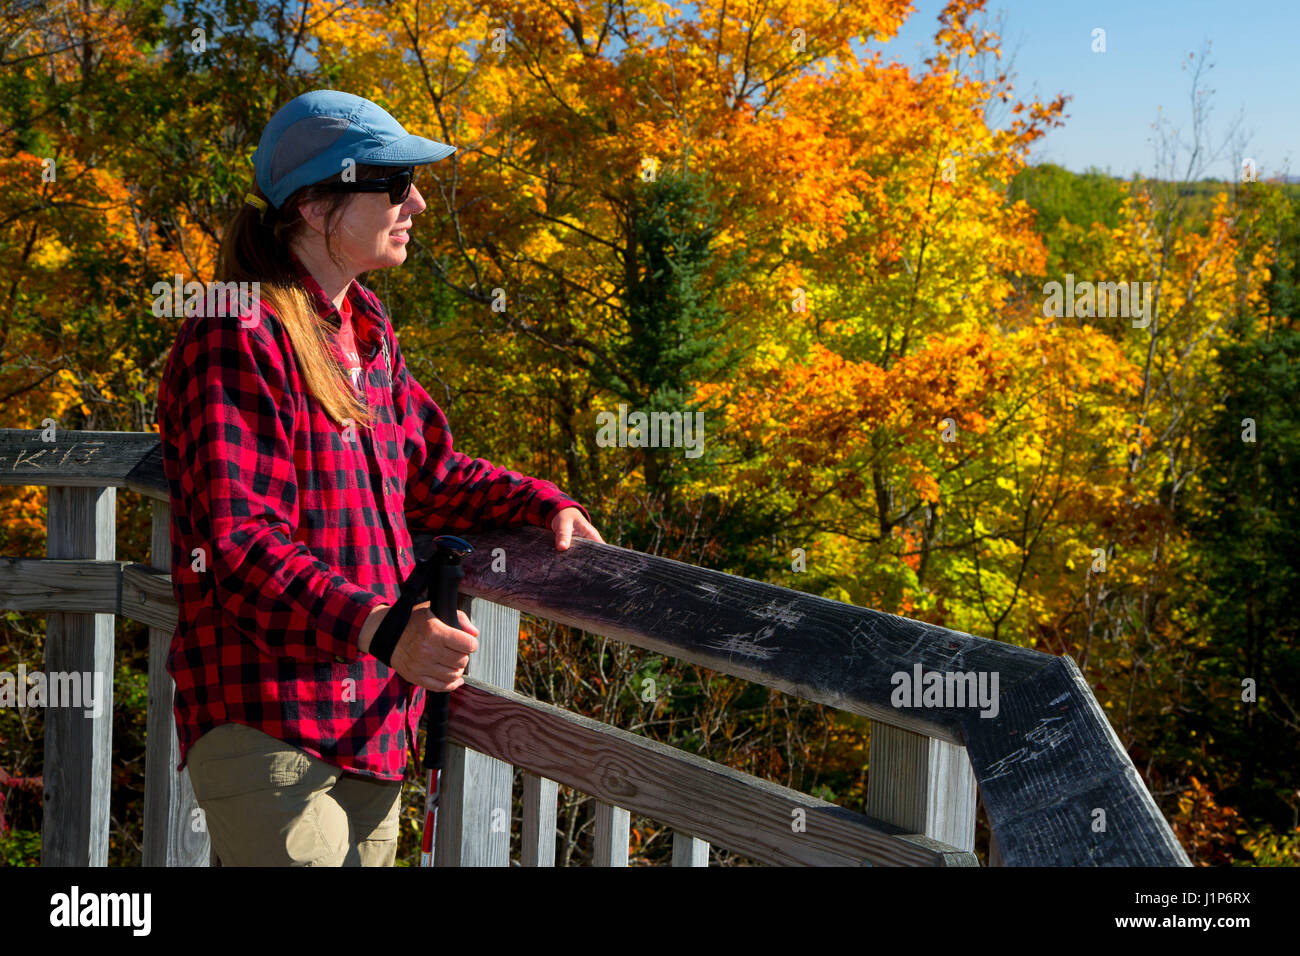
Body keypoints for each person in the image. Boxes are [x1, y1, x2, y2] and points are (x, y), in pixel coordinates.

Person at [157, 90, 603, 866]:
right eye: (395, 184)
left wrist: (541, 501)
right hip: (267, 719)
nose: (418, 203)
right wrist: (387, 627)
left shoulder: (366, 329)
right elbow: (240, 543)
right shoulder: (237, 334)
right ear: (315, 204)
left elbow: (428, 474)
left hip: (372, 722)